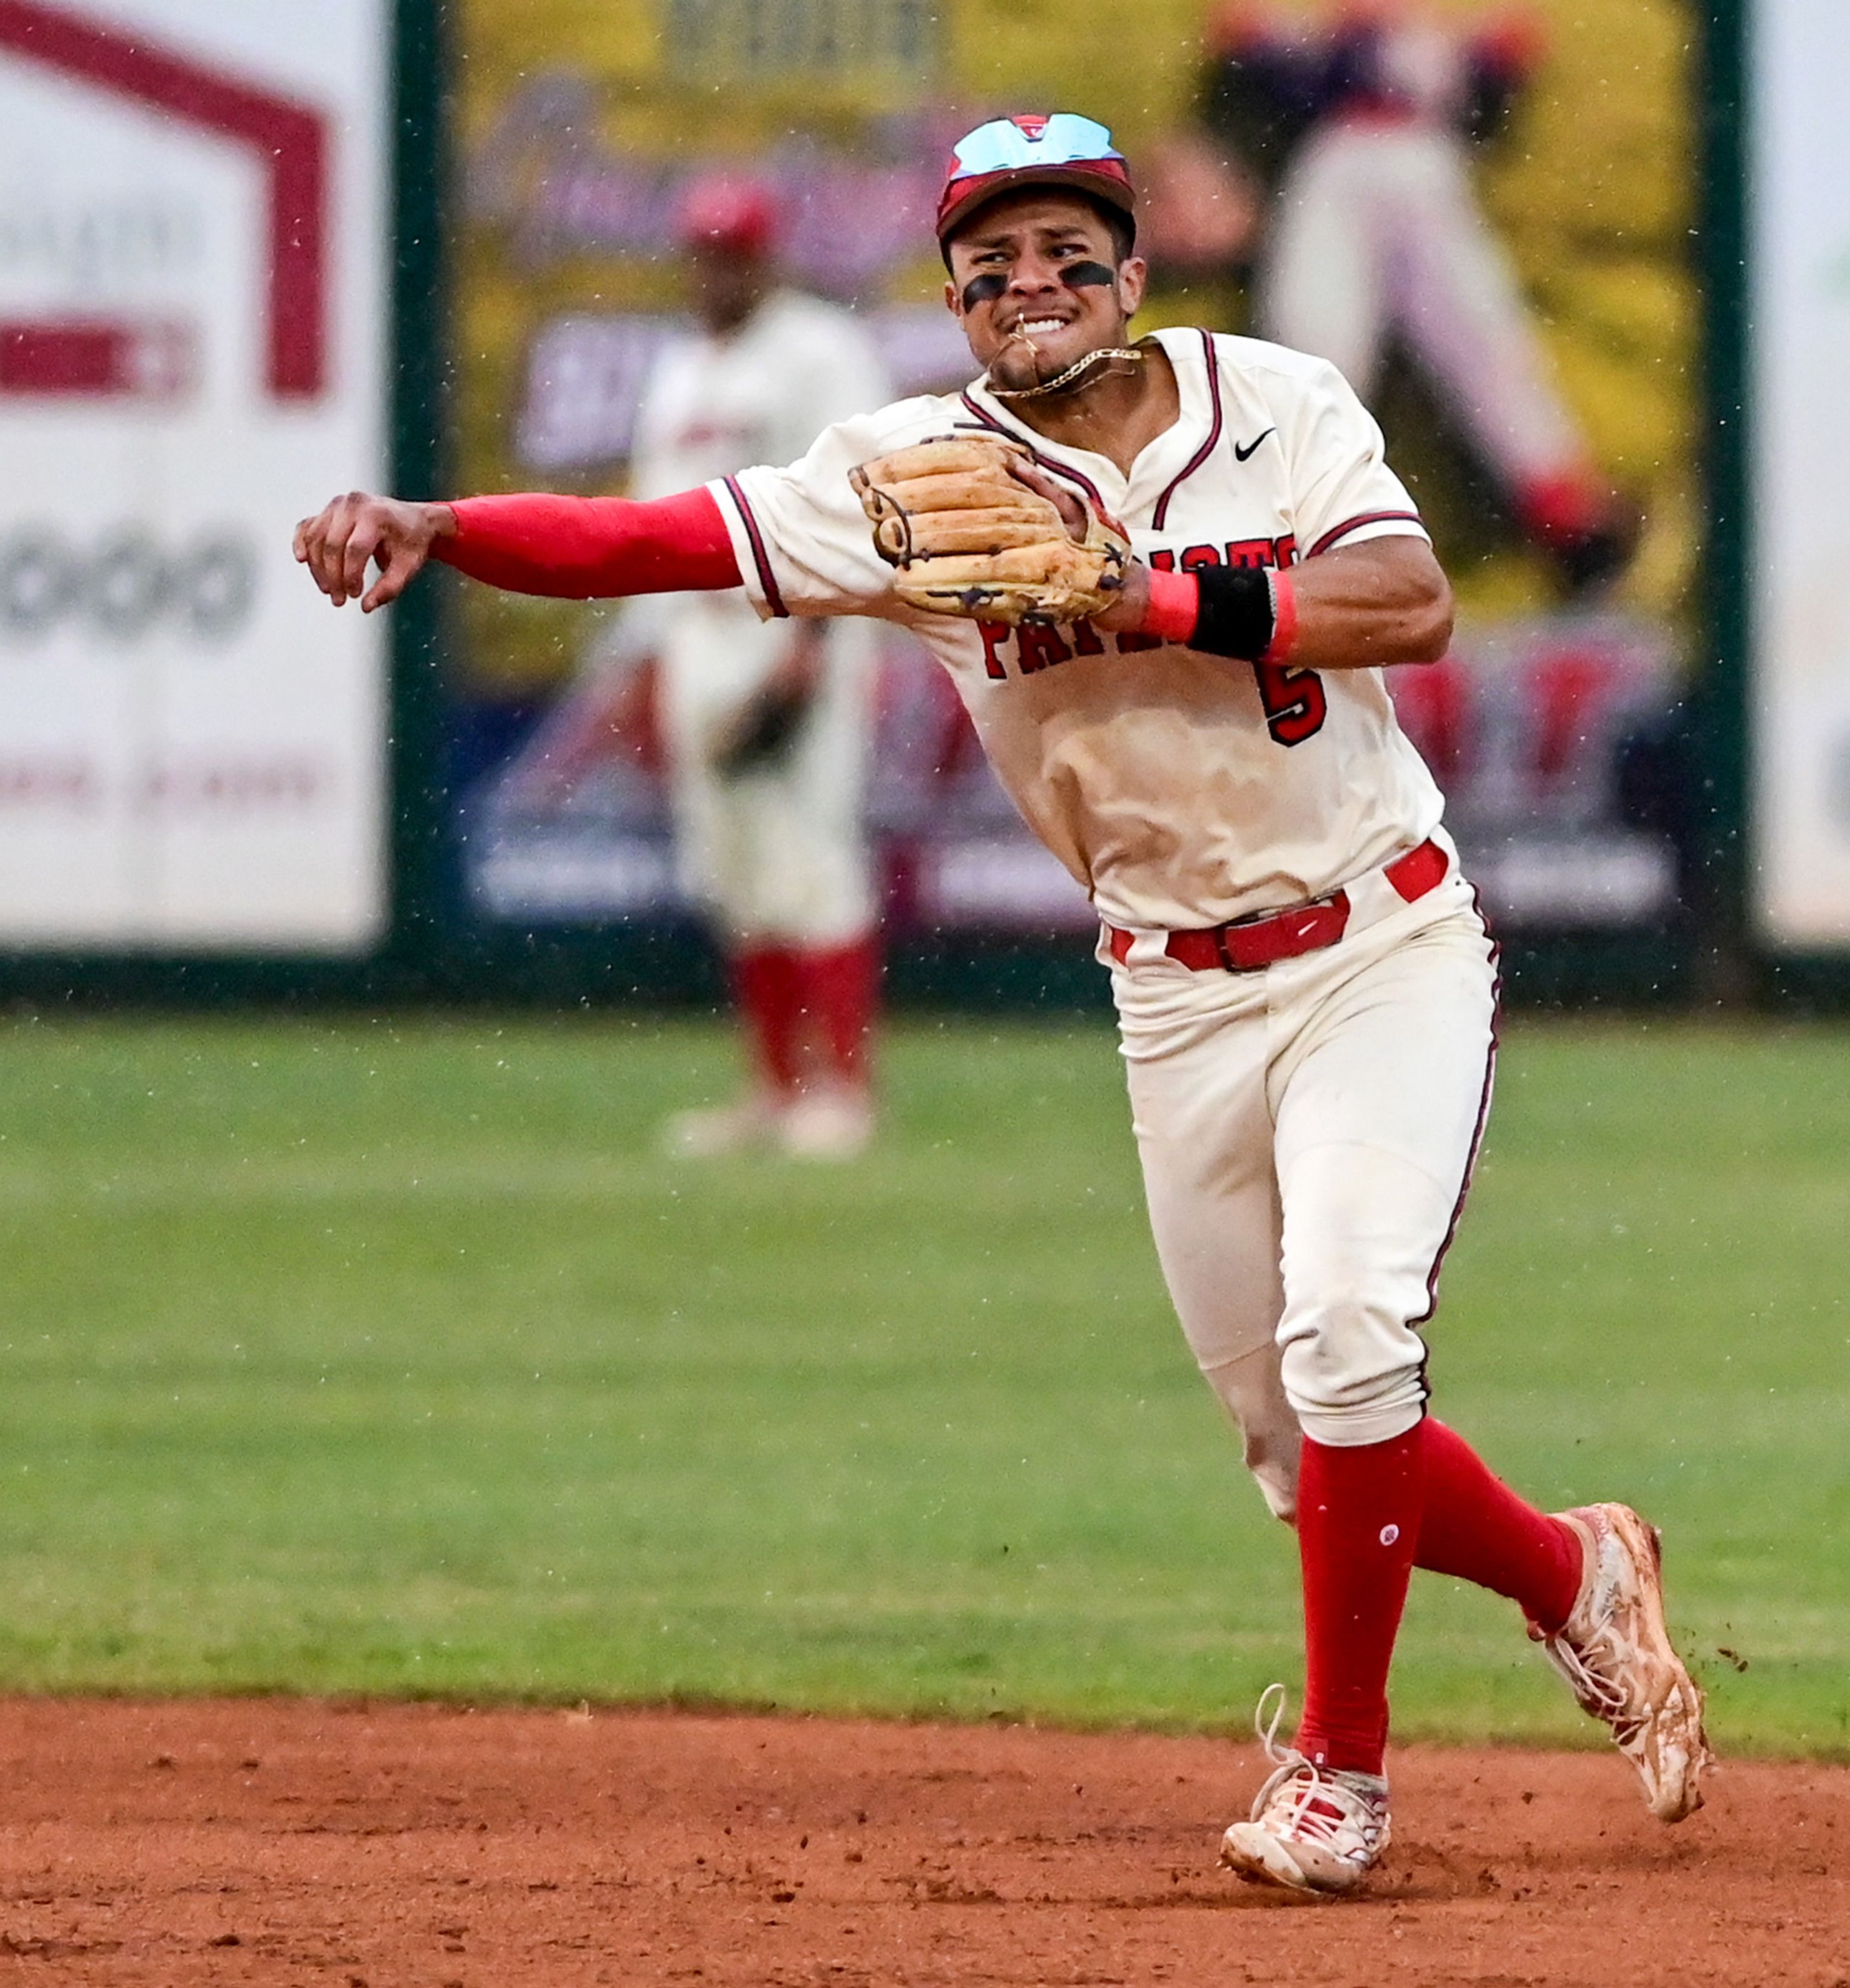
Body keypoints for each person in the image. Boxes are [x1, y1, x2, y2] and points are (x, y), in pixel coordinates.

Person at [292, 110, 1710, 1896]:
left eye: (1066, 250)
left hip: (1377, 943)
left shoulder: (1272, 398)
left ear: (1130, 265)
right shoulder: (901, 471)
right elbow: (648, 538)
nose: (1029, 285)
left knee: (1352, 1338)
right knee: (1302, 1451)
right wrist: (438, 522)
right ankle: (1577, 1579)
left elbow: (1409, 601)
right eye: (990, 264)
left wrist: (1147, 585)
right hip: (1171, 992)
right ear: (956, 297)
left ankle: (1339, 1783)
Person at [1193, 0, 1637, 594]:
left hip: (1421, 156)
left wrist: (1430, 32)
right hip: (1337, 160)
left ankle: (1572, 522)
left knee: (1481, 342)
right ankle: (1274, 532)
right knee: (1310, 348)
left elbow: (1511, 48)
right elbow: (1240, 34)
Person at [627, 174, 893, 1159]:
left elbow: (859, 500)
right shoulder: (679, 368)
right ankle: (775, 1089)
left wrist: (813, 648)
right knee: (734, 869)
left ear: (766, 256)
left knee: (811, 857)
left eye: (731, 253)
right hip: (701, 635)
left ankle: (845, 1091)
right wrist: (652, 662)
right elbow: (651, 530)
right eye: (701, 253)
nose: (713, 271)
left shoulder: (819, 350)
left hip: (794, 624)